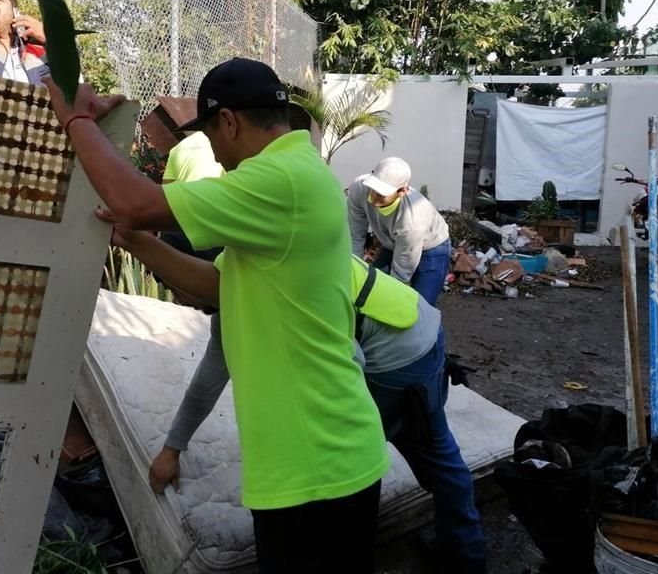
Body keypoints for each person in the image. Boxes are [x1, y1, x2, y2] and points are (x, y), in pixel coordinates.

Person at [43, 58, 390, 572]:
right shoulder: (294, 177)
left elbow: (134, 200)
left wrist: (77, 120)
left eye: (210, 136)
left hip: (317, 464)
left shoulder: (280, 180)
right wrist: (136, 243)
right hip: (318, 458)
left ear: (227, 122)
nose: (217, 156)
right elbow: (220, 285)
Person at [149, 253, 487, 574]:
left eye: (175, 283)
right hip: (411, 326)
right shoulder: (241, 283)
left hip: (401, 356)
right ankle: (463, 554)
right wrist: (173, 447)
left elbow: (346, 365)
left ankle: (458, 556)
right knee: (432, 455)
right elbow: (209, 377)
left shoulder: (277, 292)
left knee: (351, 465)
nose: (176, 297)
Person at [347, 156, 451, 305]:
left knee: (420, 310)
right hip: (394, 243)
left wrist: (391, 299)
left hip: (432, 248)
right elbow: (355, 234)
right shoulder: (359, 188)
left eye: (382, 195)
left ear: (402, 191)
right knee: (370, 293)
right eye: (373, 189)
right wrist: (353, 271)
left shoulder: (413, 217)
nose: (374, 199)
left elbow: (402, 270)